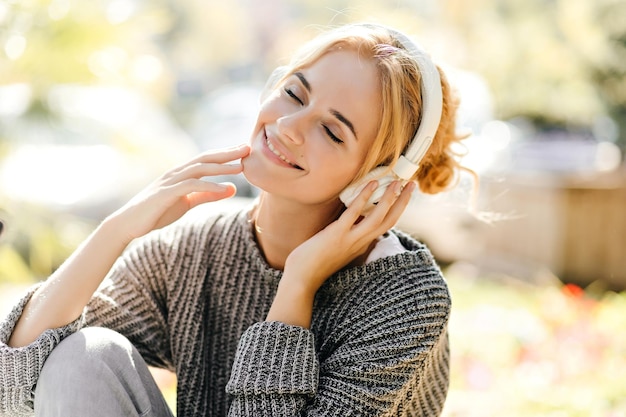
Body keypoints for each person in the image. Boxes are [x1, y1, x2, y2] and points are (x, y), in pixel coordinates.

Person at [0, 22, 470, 417]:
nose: (288, 126)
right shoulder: (188, 249)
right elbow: (13, 384)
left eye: (331, 130)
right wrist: (116, 230)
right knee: (83, 359)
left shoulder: (407, 296)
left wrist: (298, 286)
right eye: (293, 94)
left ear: (380, 179)